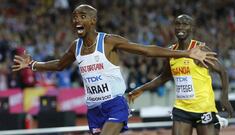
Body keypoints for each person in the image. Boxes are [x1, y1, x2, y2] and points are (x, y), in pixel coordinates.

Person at [12, 5, 216, 135]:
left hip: (115, 104)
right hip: (94, 109)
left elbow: (146, 51)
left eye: (82, 16)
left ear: (92, 20)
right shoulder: (76, 46)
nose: (76, 20)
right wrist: (32, 64)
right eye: (74, 17)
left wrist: (186, 54)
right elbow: (59, 65)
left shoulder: (109, 41)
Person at [128, 14, 233, 135]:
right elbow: (164, 77)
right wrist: (140, 89)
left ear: (192, 28)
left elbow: (222, 71)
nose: (180, 27)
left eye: (185, 24)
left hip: (204, 108)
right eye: (177, 24)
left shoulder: (200, 49)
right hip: (181, 108)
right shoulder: (171, 51)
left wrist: (224, 96)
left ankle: (216, 121)